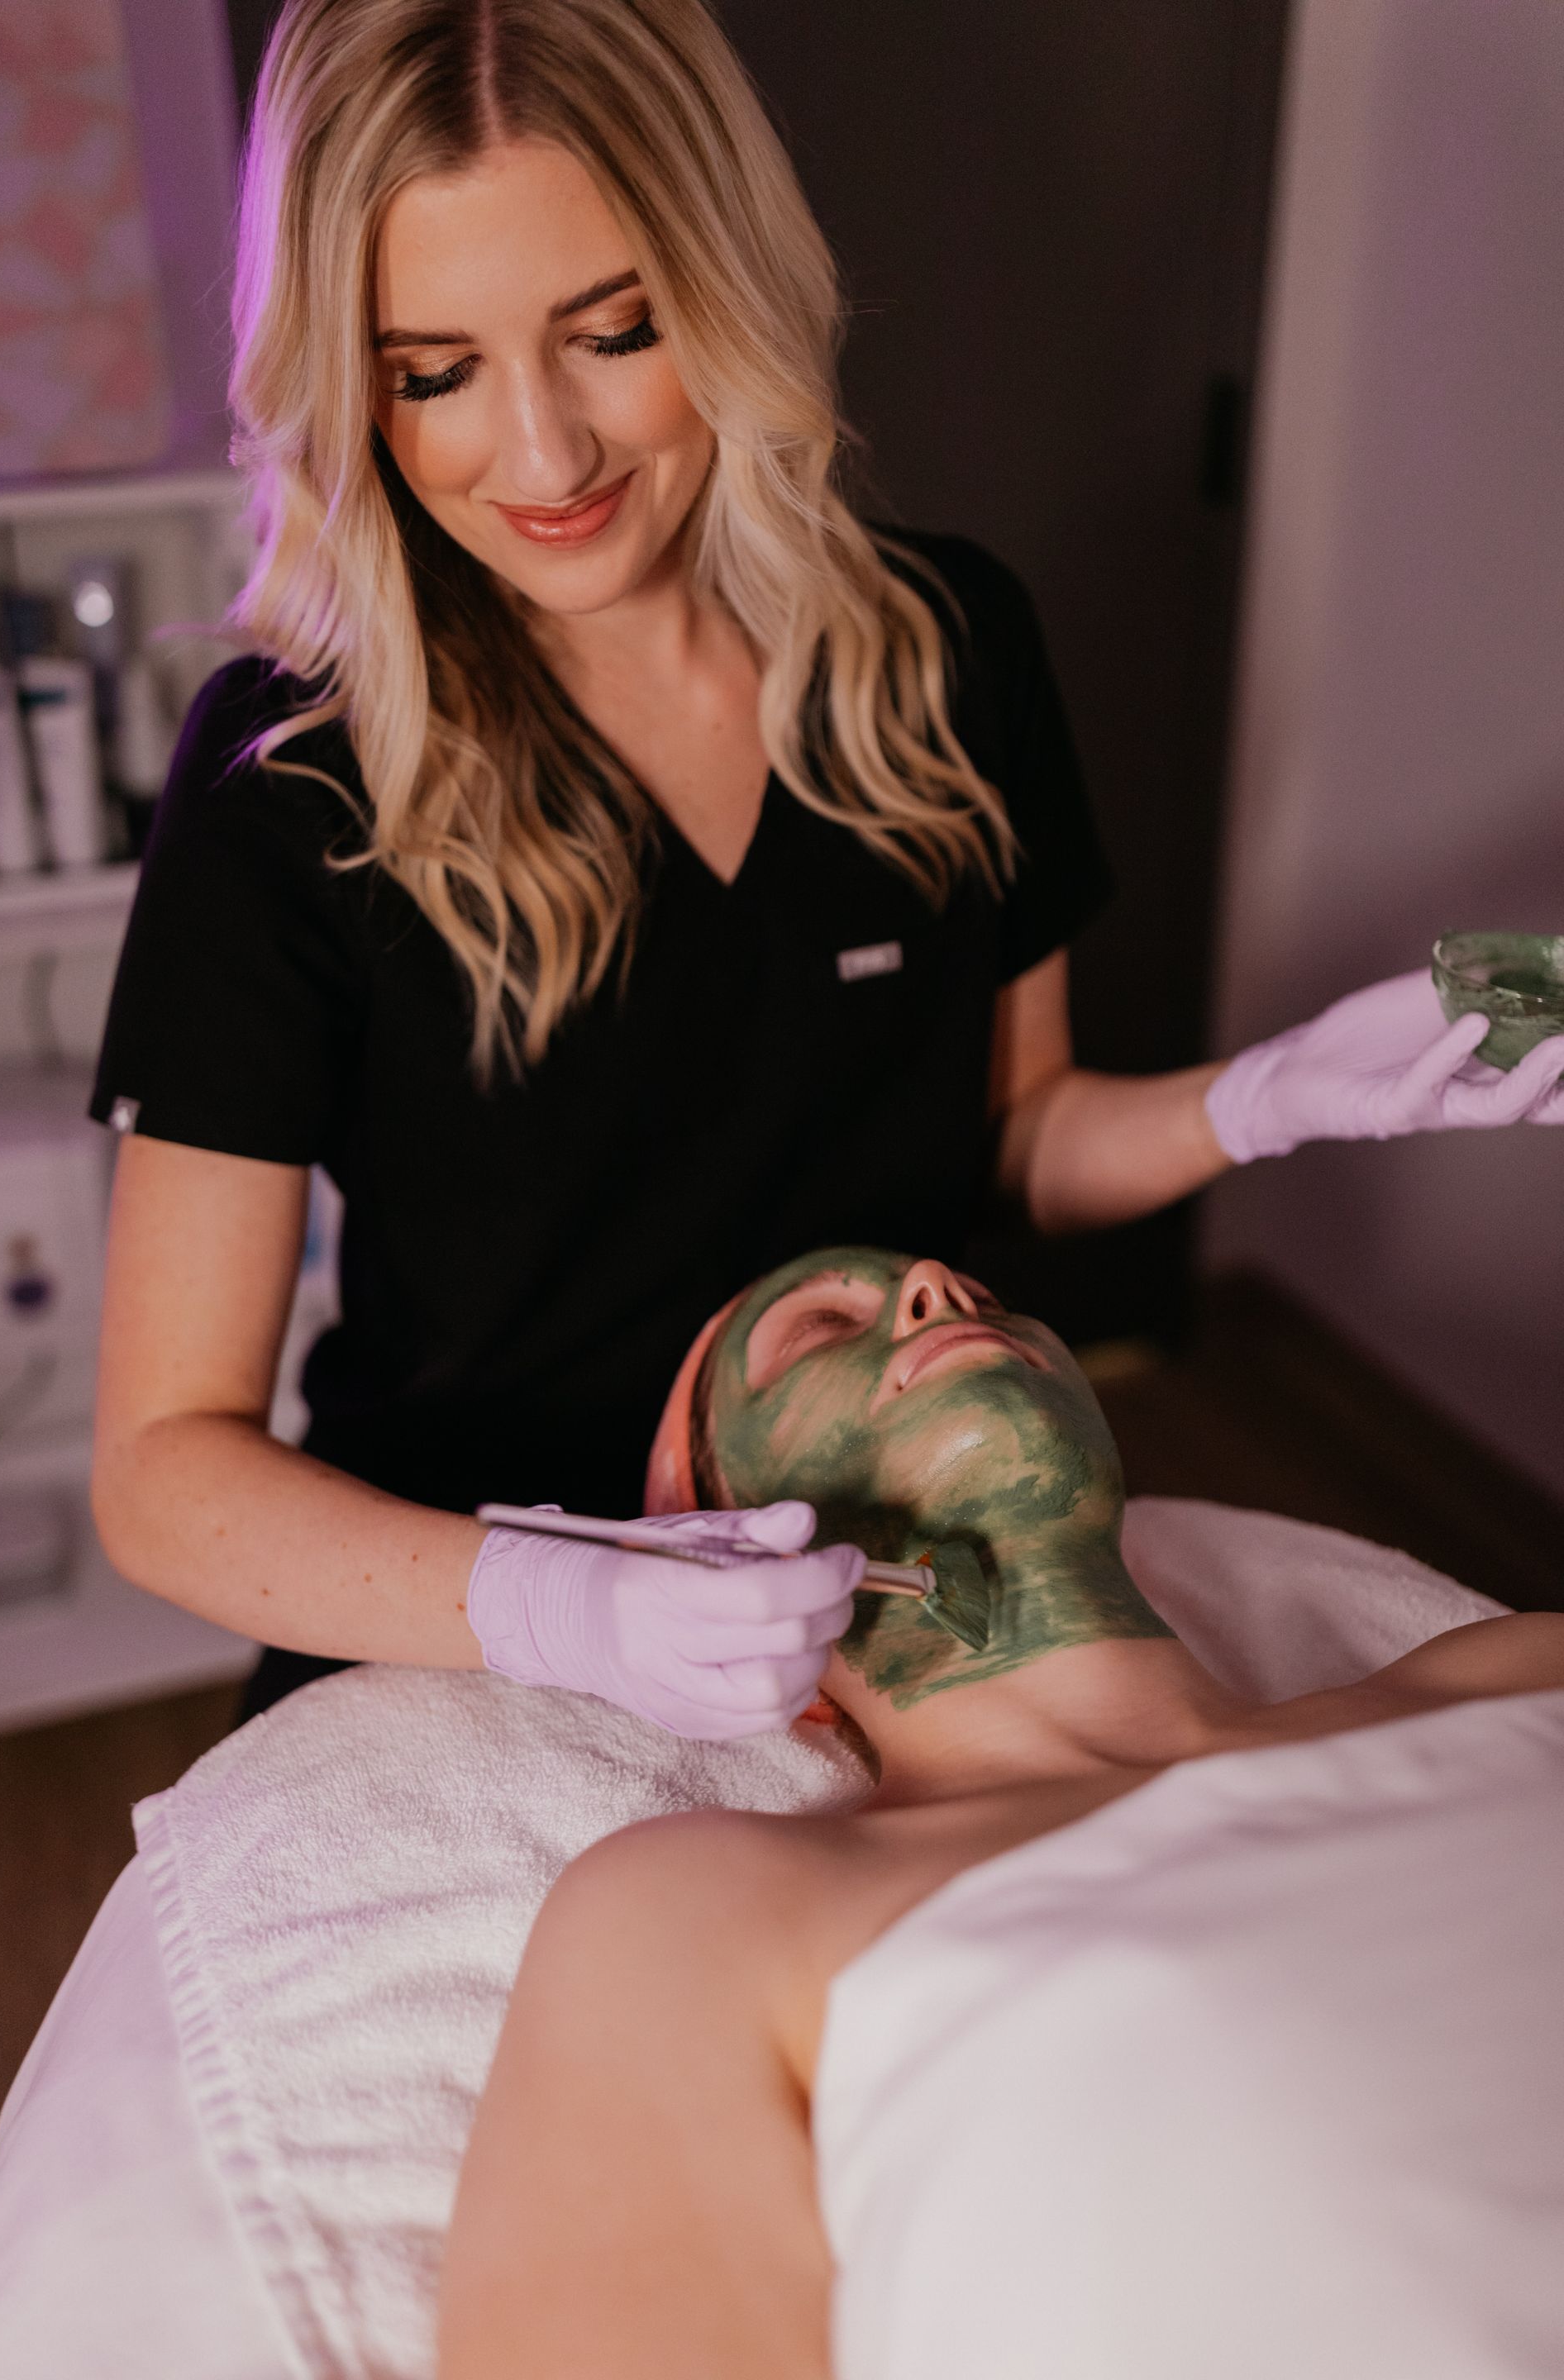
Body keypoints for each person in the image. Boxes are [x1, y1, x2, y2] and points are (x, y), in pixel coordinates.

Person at [88, 0, 1564, 1730]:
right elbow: (163, 1470)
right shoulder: (294, 781)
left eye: (614, 332)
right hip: (458, 1631)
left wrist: (1272, 1098)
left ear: (730, 285)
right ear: (351, 385)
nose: (546, 454)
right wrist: (561, 1601)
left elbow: (1017, 1137)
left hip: (895, 1607)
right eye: (434, 373)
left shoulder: (947, 652)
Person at [436, 1245, 1564, 2380]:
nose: (937, 1285)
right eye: (820, 1331)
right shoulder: (696, 1916)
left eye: (985, 1300)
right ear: (715, 1546)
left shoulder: (1523, 1669)